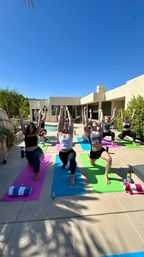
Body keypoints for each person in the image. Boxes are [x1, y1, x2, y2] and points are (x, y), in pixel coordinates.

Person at [89, 106, 112, 184]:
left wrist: (101, 111)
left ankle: (106, 175)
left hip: (101, 150)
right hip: (93, 152)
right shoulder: (90, 132)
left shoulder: (101, 131)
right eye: (94, 123)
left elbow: (101, 122)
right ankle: (89, 158)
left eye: (97, 124)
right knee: (91, 163)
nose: (97, 124)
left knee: (109, 159)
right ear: (92, 126)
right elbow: (88, 122)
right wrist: (90, 114)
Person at [19, 108, 43, 181]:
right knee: (31, 163)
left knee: (36, 158)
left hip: (36, 150)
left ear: (34, 128)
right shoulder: (25, 133)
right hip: (28, 153)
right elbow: (22, 125)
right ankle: (32, 163)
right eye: (29, 126)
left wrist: (39, 114)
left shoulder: (36, 134)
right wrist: (21, 115)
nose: (31, 127)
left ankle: (37, 173)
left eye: (32, 126)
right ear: (28, 128)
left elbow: (39, 125)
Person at [57, 105, 76, 186]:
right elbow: (59, 121)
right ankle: (65, 163)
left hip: (70, 151)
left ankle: (72, 176)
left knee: (72, 160)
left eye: (66, 124)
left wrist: (68, 110)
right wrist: (61, 110)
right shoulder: (59, 132)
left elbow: (71, 121)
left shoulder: (70, 132)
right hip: (61, 153)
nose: (65, 125)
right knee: (64, 162)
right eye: (64, 124)